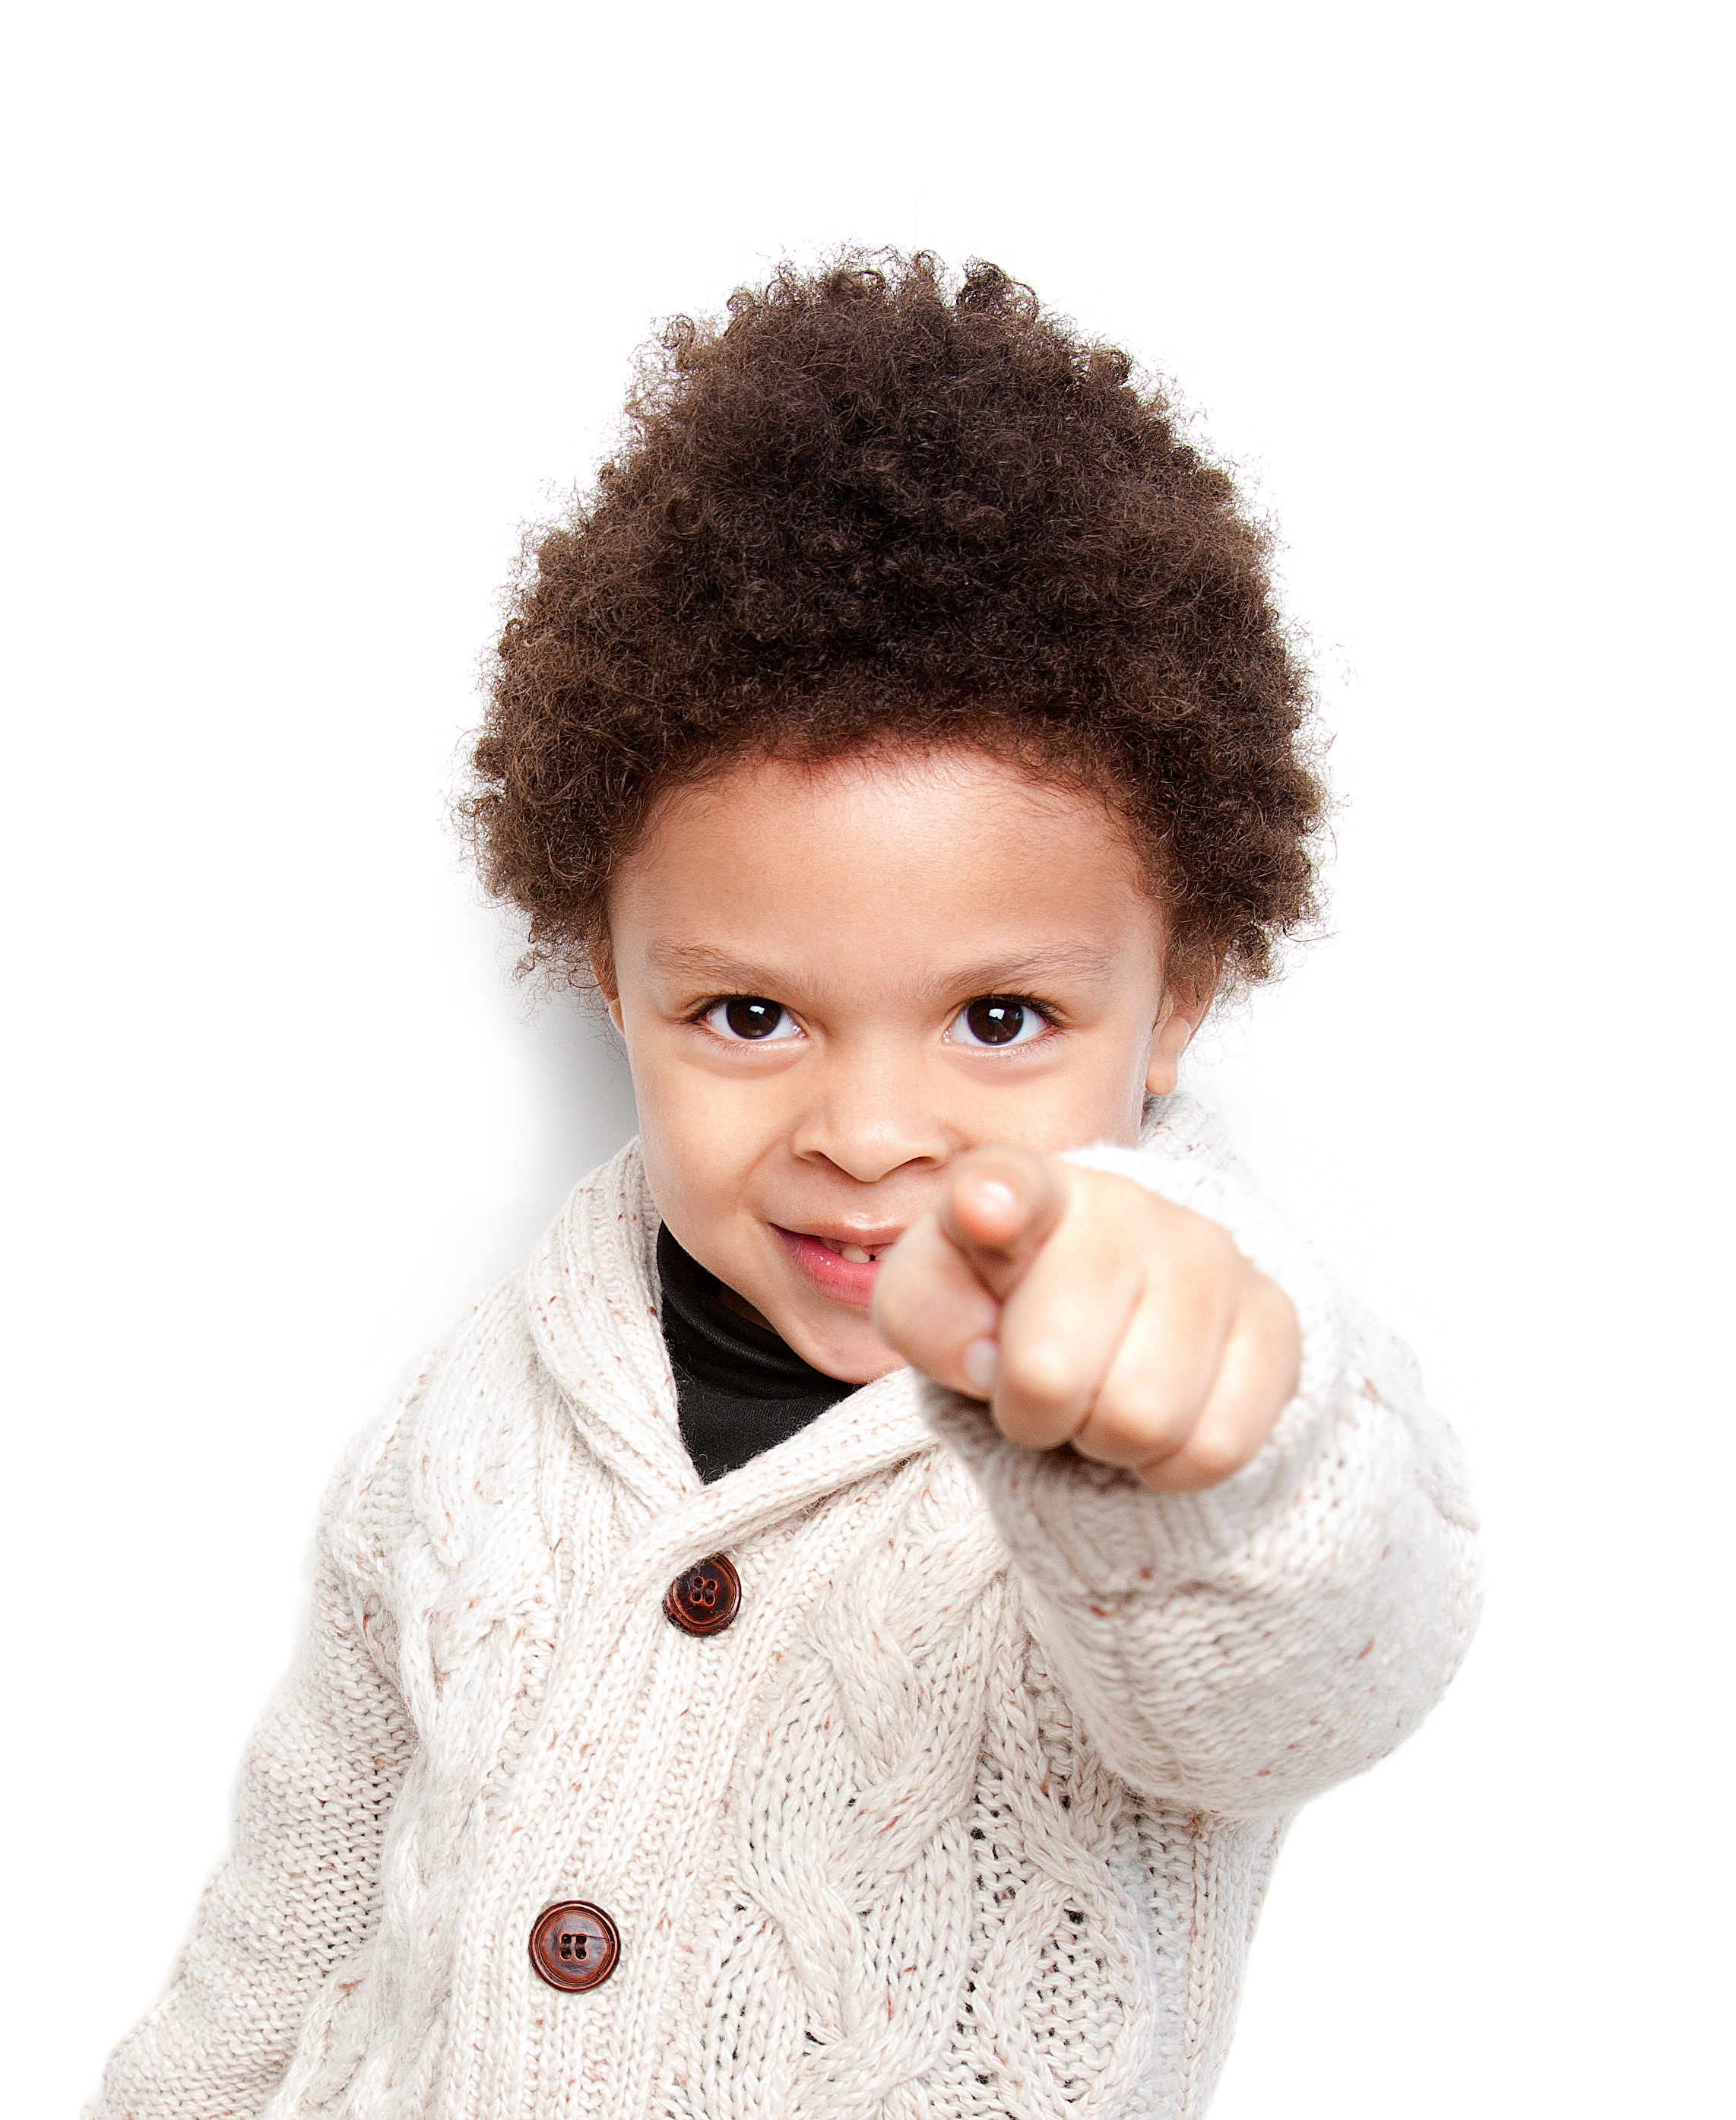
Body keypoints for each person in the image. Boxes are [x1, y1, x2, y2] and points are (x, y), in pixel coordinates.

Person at [87, 252, 1480, 2120]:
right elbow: (286, 1922)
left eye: (997, 1018)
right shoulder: (474, 1408)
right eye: (750, 1014)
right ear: (610, 979)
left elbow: (1311, 1662)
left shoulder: (1161, 1404)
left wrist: (1221, 1433)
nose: (869, 1130)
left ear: (1179, 998)